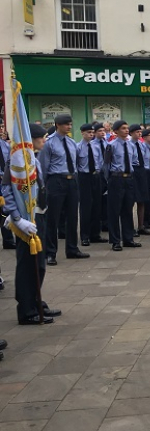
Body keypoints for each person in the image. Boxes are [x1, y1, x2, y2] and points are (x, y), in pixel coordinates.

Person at [2, 123, 62, 324]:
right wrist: (16, 218)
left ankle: (36, 303)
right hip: (26, 220)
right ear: (31, 139)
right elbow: (7, 190)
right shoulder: (17, 161)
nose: (45, 140)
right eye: (42, 137)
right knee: (28, 265)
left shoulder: (32, 158)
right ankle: (26, 311)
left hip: (38, 216)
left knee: (39, 264)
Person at [39, 114, 88, 266]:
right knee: (52, 219)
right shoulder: (49, 143)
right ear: (57, 125)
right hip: (56, 180)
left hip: (71, 180)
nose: (68, 127)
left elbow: (76, 162)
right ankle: (50, 253)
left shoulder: (72, 142)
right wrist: (44, 187)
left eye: (69, 124)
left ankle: (72, 249)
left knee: (72, 217)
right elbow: (43, 166)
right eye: (65, 124)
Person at [104, 120, 141, 251]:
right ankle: (115, 240)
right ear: (116, 131)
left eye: (127, 128)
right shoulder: (111, 145)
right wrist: (108, 181)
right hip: (116, 178)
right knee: (115, 210)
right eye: (123, 128)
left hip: (129, 178)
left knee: (128, 209)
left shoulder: (131, 145)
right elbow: (106, 164)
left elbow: (134, 161)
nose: (126, 130)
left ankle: (128, 238)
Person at [76, 123, 106, 248]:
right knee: (86, 207)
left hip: (96, 176)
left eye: (92, 132)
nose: (91, 135)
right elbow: (76, 164)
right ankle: (85, 236)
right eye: (88, 132)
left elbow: (99, 161)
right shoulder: (77, 147)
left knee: (97, 205)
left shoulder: (96, 147)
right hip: (84, 177)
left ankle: (95, 234)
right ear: (82, 133)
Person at [128, 124, 150, 237]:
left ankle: (141, 226)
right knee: (131, 200)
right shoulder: (128, 145)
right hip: (133, 171)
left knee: (142, 199)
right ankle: (130, 227)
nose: (139, 134)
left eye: (140, 132)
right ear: (131, 133)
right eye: (136, 132)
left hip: (142, 171)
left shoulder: (142, 145)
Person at [0, 123, 15, 250]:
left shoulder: (6, 145)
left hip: (2, 183)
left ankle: (8, 240)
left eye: (2, 127)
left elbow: (8, 163)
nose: (1, 130)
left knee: (4, 211)